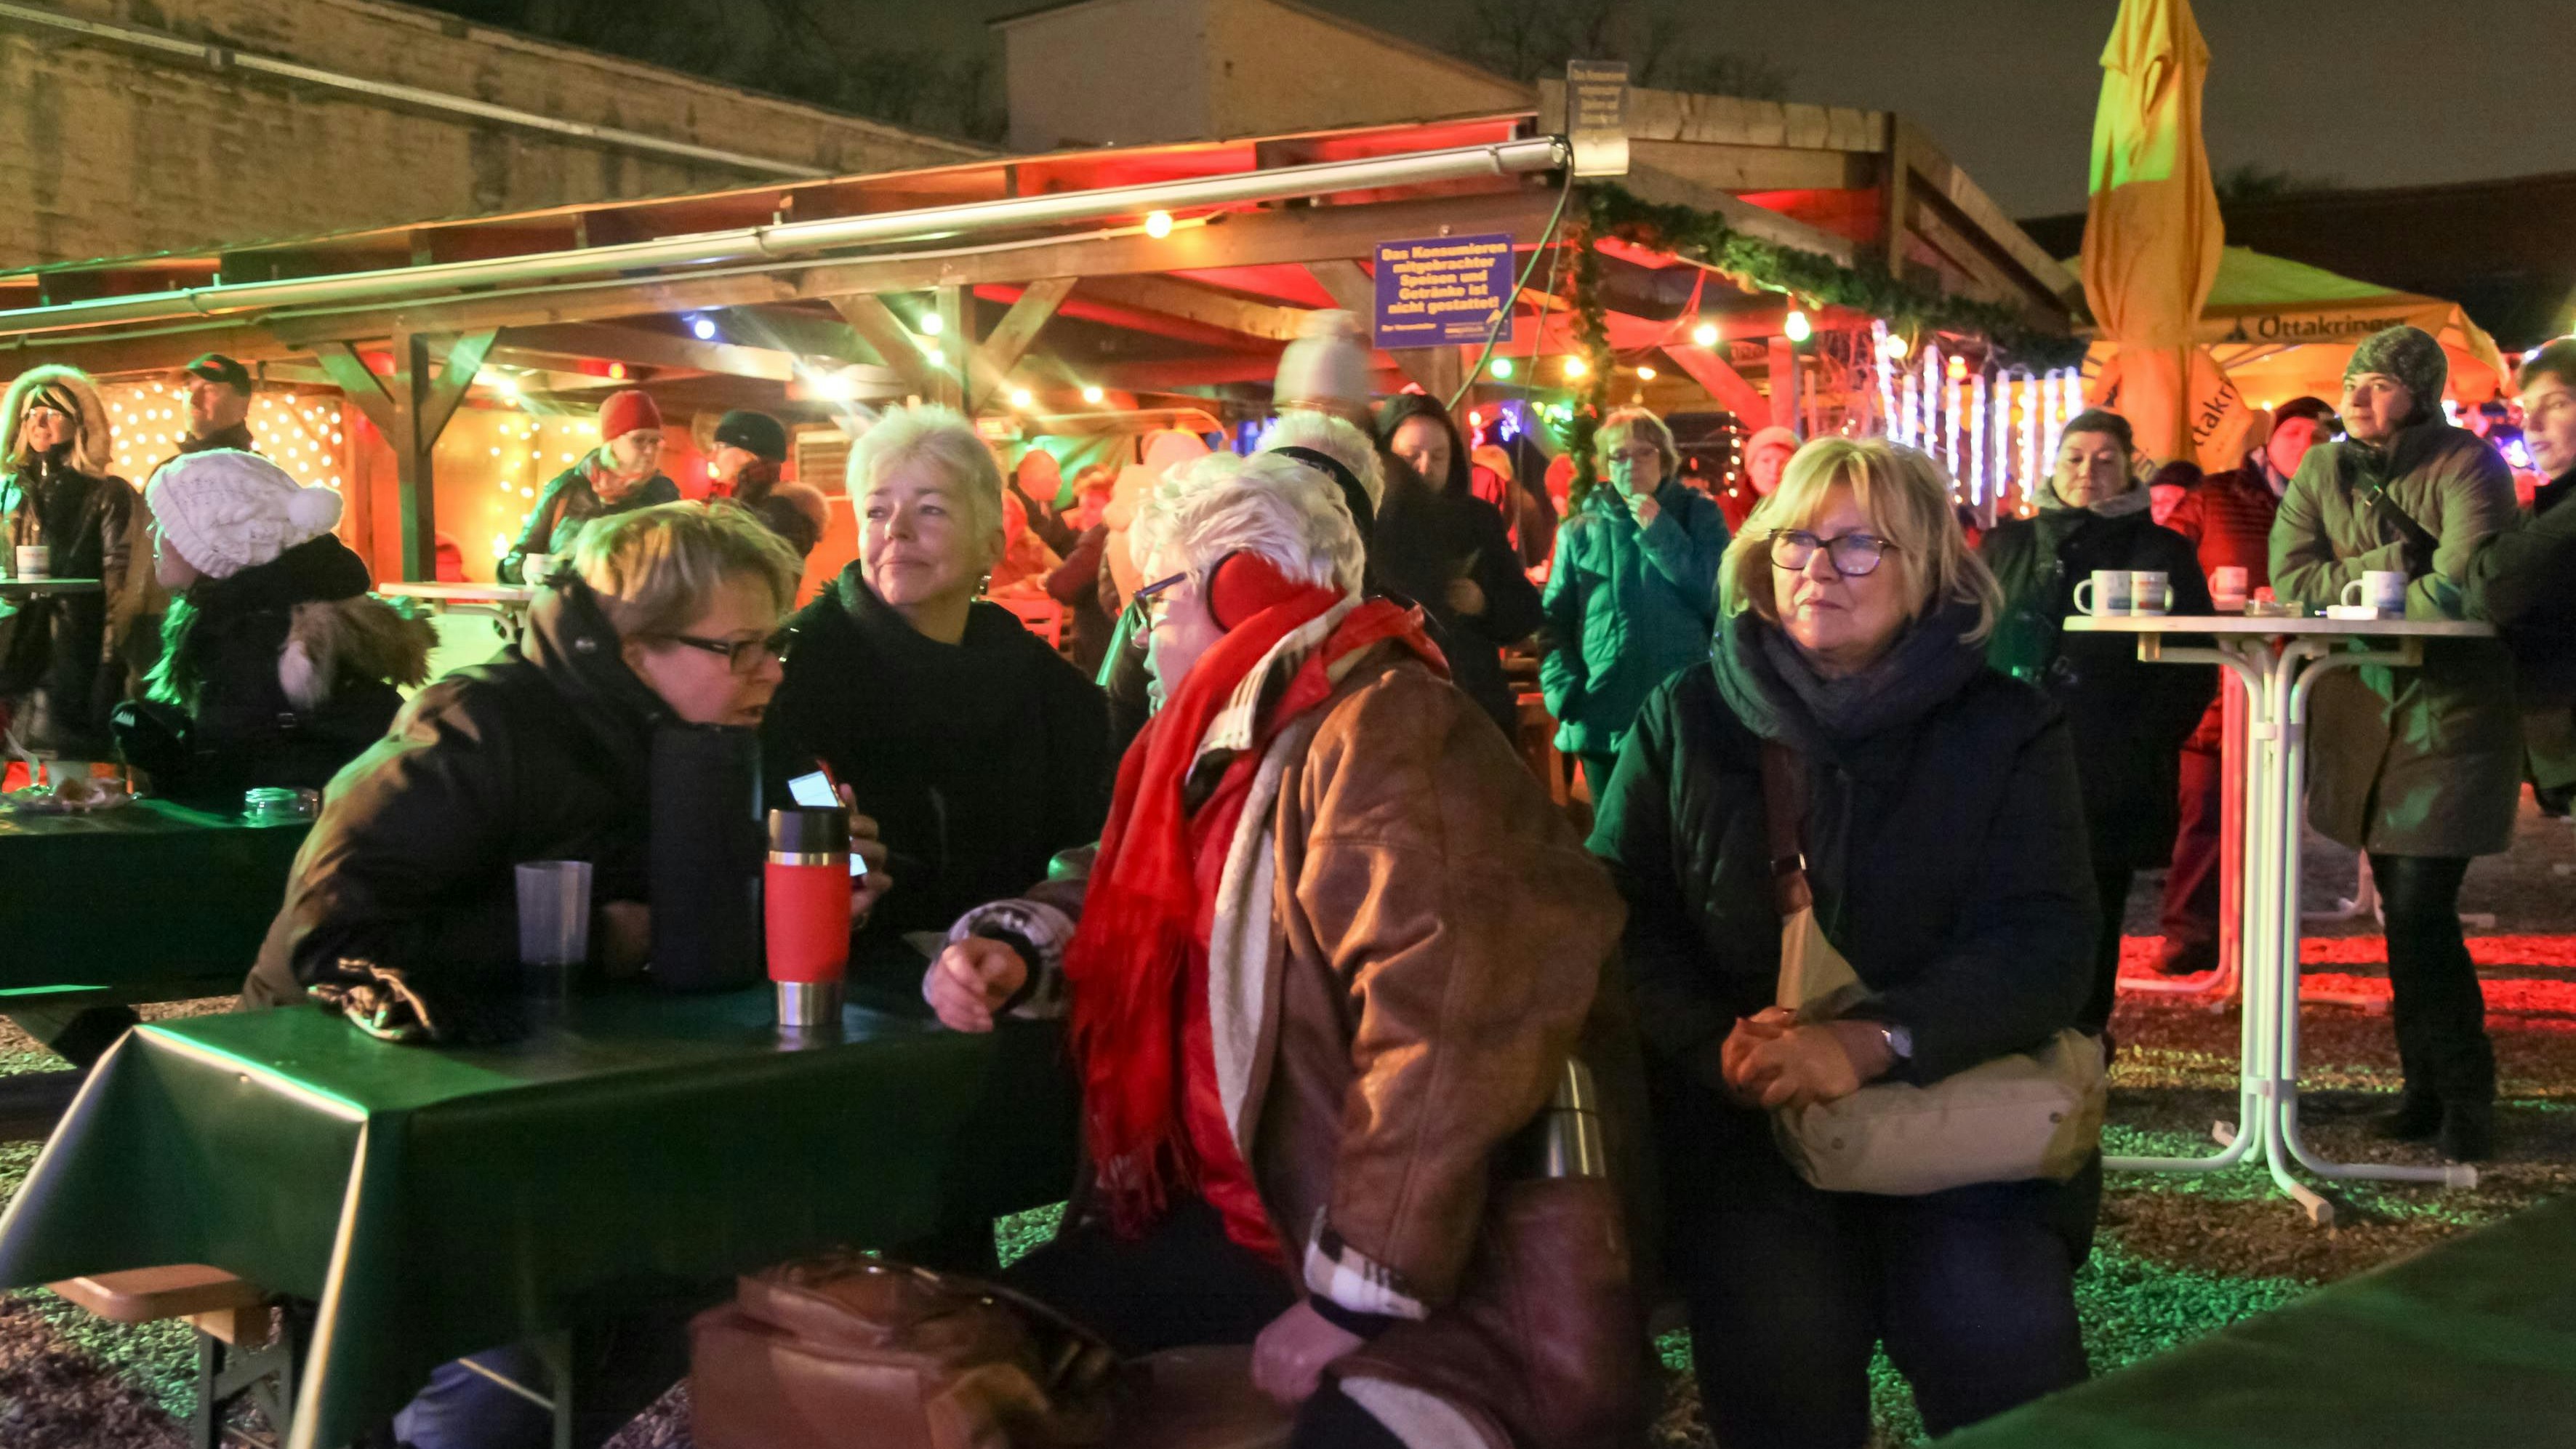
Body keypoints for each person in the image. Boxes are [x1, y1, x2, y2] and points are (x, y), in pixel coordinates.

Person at [924, 449, 1638, 1449]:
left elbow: (1447, 1027)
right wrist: (1020, 942)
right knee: (946, 1363)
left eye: (1154, 601)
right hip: (1248, 1214)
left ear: (1240, 584)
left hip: (1418, 1269)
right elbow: (1131, 884)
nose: (1140, 636)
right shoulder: (1233, 739)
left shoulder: (1384, 730)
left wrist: (1354, 1297)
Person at [241, 502, 873, 1449]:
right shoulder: (478, 725)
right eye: (740, 647)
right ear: (628, 648)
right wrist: (588, 939)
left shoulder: (742, 723)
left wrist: (849, 868)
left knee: (765, 1229)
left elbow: (821, 804)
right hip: (382, 1117)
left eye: (775, 642)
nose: (771, 671)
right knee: (580, 1282)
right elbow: (322, 939)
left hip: (593, 1097)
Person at [1590, 438, 2097, 1449]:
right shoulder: (1684, 718)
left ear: (1930, 569)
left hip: (1955, 1107)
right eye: (1794, 539)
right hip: (1750, 1134)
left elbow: (2045, 939)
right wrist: (1716, 1045)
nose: (1817, 566)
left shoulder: (2005, 726)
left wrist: (1873, 1041)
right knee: (1779, 1351)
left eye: (1858, 543)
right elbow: (1616, 914)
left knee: (1998, 1341)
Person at [2274, 324, 2521, 1163]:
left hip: (2448, 714)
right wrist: (2390, 562)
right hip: (2363, 713)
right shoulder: (2321, 465)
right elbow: (2291, 579)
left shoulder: (2468, 463)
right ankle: (2424, 1089)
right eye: (2354, 381)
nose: (2358, 396)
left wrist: (2369, 587)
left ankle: (2464, 1092)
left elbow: (2463, 588)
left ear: (2419, 392)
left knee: (2419, 905)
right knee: (2402, 910)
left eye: (2379, 383)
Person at [762, 404, 1110, 986]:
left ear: (989, 544)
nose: (895, 530)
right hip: (846, 989)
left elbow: (1093, 835)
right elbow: (792, 799)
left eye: (930, 509)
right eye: (877, 510)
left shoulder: (1041, 681)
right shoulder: (797, 671)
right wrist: (843, 868)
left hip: (1014, 983)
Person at [1981, 409, 2212, 1032]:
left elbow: (2192, 667)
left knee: (2091, 914)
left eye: (2105, 458)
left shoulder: (2160, 551)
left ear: (2129, 468)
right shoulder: (2008, 544)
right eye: (2075, 456)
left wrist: (2140, 743)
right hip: (2005, 765)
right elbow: (1970, 641)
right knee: (1999, 908)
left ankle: (2080, 1047)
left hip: (2107, 766)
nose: (2088, 470)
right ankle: (2005, 1040)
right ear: (2053, 465)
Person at [113, 451, 433, 805]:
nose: (150, 532)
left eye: (167, 524)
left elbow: (252, 790)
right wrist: (166, 748)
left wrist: (175, 766)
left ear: (215, 542)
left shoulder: (270, 636)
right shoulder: (227, 621)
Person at [2156, 410, 2297, 974]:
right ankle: (2189, 933)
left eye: (2318, 435)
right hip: (2216, 680)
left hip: (2289, 678)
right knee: (2205, 806)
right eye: (2294, 433)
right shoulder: (2215, 497)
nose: (2306, 445)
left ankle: (2260, 929)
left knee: (2275, 813)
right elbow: (2165, 559)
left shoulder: (2331, 502)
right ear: (2269, 441)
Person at [1540, 406, 1731, 793]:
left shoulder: (1699, 515)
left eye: (1644, 452)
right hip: (1601, 716)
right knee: (1612, 847)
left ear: (1665, 458)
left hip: (1683, 713)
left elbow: (1717, 596)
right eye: (1619, 454)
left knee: (1683, 844)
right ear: (1605, 465)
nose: (1631, 463)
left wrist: (1659, 529)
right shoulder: (1579, 531)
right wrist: (1564, 692)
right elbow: (1553, 621)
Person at [0, 365, 149, 765]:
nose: (38, 421)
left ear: (80, 423)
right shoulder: (11, 492)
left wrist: (106, 673)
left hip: (72, 659)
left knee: (67, 779)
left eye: (52, 412)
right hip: (14, 657)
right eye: (30, 412)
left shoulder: (107, 494)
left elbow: (118, 590)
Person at [1373, 393, 1544, 736]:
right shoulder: (1367, 527)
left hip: (1474, 709)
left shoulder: (1477, 520)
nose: (1425, 467)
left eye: (1439, 455)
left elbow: (1525, 611)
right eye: (1410, 457)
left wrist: (1484, 604)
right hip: (1392, 716)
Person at [2468, 341, 2576, 815]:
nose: (2530, 427)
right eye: (2524, 409)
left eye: (2556, 404)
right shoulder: (2550, 507)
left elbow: (2497, 588)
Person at [497, 389, 679, 583]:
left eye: (655, 441)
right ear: (612, 440)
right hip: (569, 609)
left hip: (633, 611)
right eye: (639, 440)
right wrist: (538, 571)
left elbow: (680, 567)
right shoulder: (568, 488)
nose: (650, 450)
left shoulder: (663, 495)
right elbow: (515, 562)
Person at [706, 409, 826, 558]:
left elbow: (738, 569)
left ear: (748, 453)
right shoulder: (752, 503)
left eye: (720, 447)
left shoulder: (777, 513)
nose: (712, 455)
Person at [2255, 395, 2340, 499]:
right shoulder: (2233, 495)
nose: (2305, 445)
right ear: (2272, 440)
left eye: (2317, 438)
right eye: (2293, 433)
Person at [174, 353, 257, 456]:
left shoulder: (258, 470)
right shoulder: (171, 469)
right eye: (188, 387)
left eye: (209, 389)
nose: (193, 401)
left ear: (243, 406)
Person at [988, 489, 1065, 597]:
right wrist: (1012, 590)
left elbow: (1067, 576)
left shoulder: (1029, 545)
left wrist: (1044, 581)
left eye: (1009, 514)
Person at [1724, 425, 1799, 532]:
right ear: (1750, 467)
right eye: (1766, 461)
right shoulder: (1723, 515)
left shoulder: (1810, 515)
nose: (1774, 470)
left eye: (1784, 462)